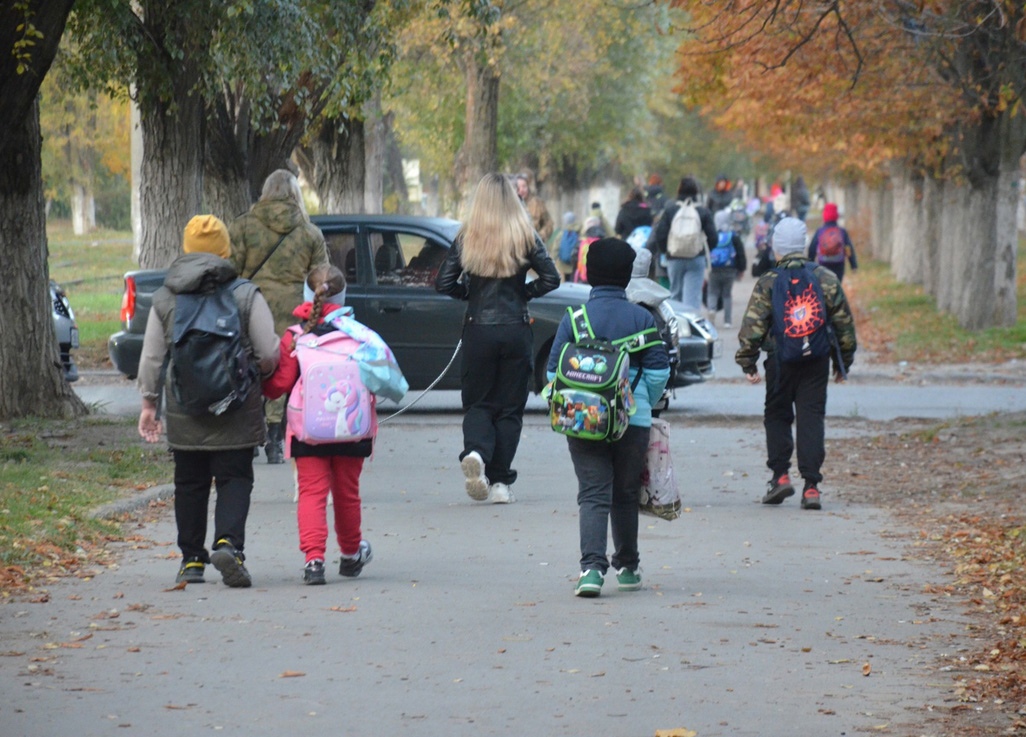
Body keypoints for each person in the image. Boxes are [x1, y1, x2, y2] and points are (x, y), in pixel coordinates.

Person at [137, 215, 280, 587]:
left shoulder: (166, 297)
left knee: (189, 483)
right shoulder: (245, 293)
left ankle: (191, 560)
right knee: (234, 477)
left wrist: (149, 404)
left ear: (186, 249)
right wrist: (259, 377)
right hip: (237, 406)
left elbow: (153, 357)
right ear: (224, 250)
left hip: (186, 408)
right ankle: (228, 544)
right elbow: (268, 352)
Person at [262, 265, 407, 585]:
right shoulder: (359, 336)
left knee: (312, 494)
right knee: (347, 493)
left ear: (306, 295)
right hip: (352, 429)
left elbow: (278, 385)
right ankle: (351, 554)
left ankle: (313, 561)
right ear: (343, 297)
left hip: (307, 431)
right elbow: (383, 380)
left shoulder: (295, 337)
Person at [545, 238, 671, 597]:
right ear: (627, 276)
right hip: (634, 422)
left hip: (582, 420)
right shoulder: (641, 317)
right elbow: (660, 370)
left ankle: (590, 571)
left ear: (589, 274)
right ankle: (628, 567)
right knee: (625, 494)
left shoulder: (575, 319)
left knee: (592, 493)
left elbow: (553, 373)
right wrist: (640, 397)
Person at [436, 173, 561, 503]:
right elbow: (551, 277)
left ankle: (476, 452)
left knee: (479, 401)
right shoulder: (524, 234)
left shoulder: (468, 235)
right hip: (515, 329)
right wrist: (524, 294)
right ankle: (501, 484)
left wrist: (470, 295)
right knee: (509, 407)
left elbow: (444, 282)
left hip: (478, 329)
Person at [735, 217, 857, 512]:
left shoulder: (769, 281)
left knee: (777, 415)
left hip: (780, 360)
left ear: (777, 247)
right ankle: (812, 487)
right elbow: (843, 323)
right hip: (816, 359)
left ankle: (780, 476)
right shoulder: (826, 278)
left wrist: (748, 362)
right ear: (803, 244)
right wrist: (844, 363)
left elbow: (753, 325)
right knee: (811, 417)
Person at [229, 169, 328, 465]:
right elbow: (322, 279)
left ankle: (250, 436)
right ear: (295, 194)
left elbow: (230, 270)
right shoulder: (310, 233)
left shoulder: (242, 226)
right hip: (292, 310)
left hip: (249, 305)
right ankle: (275, 439)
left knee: (248, 366)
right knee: (283, 370)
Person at [647, 176, 718, 312]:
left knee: (675, 294)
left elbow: (660, 234)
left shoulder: (670, 210)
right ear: (696, 192)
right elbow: (713, 237)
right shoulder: (703, 211)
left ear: (679, 190)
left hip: (674, 257)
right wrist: (702, 250)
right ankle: (690, 329)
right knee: (692, 297)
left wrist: (666, 252)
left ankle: (677, 327)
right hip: (696, 257)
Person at [706, 209, 747, 328]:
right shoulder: (733, 235)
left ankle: (711, 310)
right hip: (730, 269)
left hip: (714, 269)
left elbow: (707, 251)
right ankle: (727, 321)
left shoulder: (711, 235)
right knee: (727, 294)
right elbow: (740, 253)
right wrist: (741, 269)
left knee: (712, 292)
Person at [808, 202, 858, 281]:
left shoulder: (820, 231)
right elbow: (848, 248)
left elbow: (812, 248)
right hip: (839, 263)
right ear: (836, 215)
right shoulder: (842, 231)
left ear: (824, 215)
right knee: (837, 284)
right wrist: (853, 264)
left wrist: (810, 264)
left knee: (824, 285)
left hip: (823, 263)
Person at [514, 172, 554, 243]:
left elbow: (549, 223)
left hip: (534, 247)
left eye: (524, 186)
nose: (521, 190)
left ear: (528, 187)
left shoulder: (537, 203)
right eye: (518, 187)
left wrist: (540, 236)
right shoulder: (510, 205)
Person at [549, 211, 581, 282]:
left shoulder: (561, 234)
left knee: (564, 286)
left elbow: (555, 249)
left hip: (562, 265)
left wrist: (552, 261)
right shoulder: (579, 233)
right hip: (574, 265)